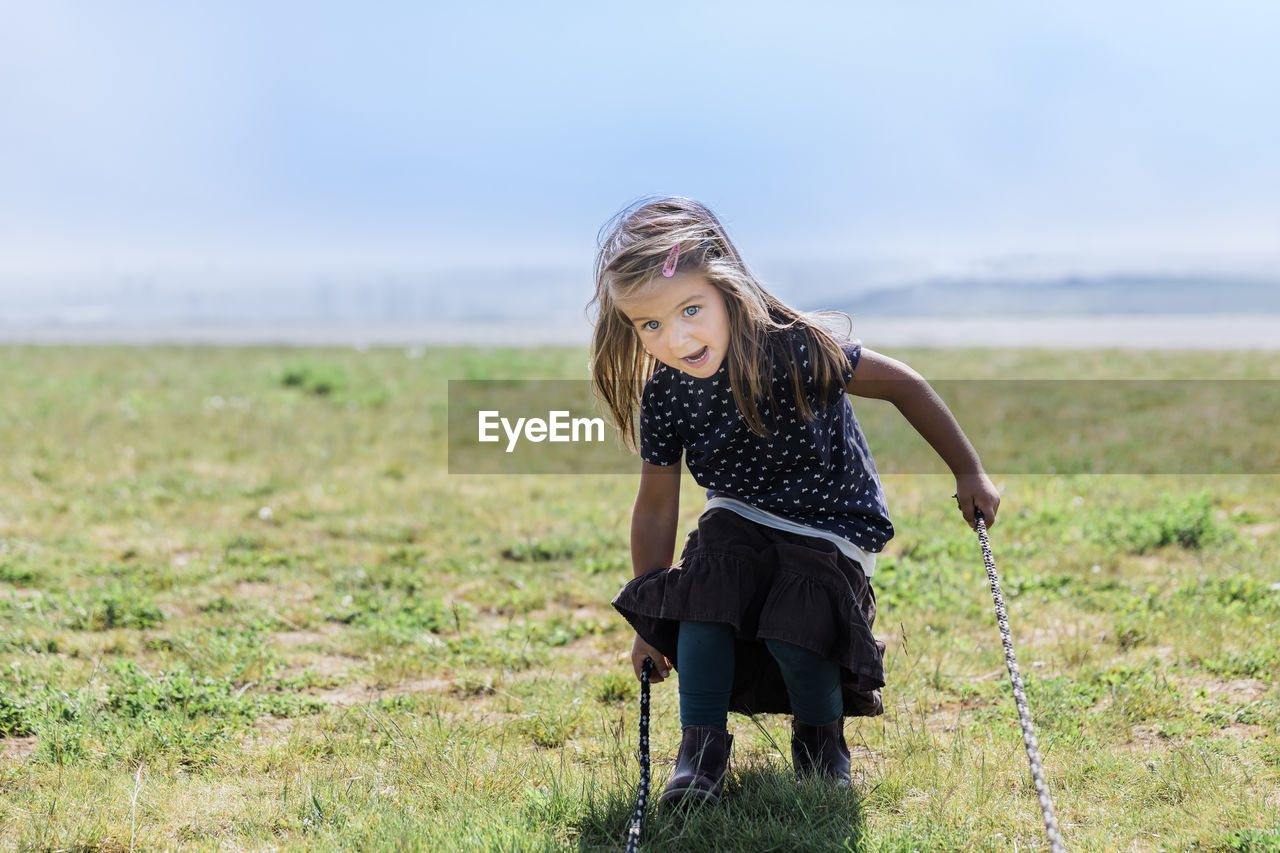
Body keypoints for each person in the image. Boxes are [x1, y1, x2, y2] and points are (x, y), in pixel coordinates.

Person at [587, 197, 1000, 807]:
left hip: (831, 523)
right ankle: (698, 756)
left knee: (794, 623)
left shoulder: (796, 349)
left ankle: (821, 744)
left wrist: (969, 473)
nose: (675, 338)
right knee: (703, 595)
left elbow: (904, 385)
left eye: (691, 310)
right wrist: (651, 617)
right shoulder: (669, 394)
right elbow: (655, 506)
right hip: (740, 514)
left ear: (728, 289)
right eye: (650, 326)